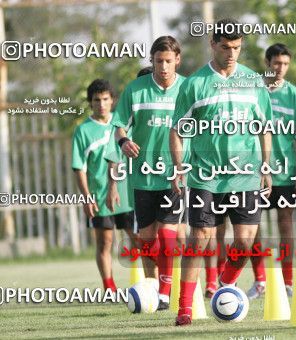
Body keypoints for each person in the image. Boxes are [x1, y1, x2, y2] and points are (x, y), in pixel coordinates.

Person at [170, 18, 272, 326]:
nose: (232, 54)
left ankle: (225, 286)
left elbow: (264, 127)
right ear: (212, 45)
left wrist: (266, 165)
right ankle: (185, 308)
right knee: (199, 238)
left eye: (237, 48)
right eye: (226, 47)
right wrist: (178, 168)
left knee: (244, 242)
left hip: (245, 176)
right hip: (206, 175)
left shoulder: (254, 82)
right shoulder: (195, 84)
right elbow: (177, 130)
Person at [112, 36, 187, 311]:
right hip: (142, 175)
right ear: (152, 61)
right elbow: (119, 124)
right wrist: (123, 141)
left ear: (177, 60)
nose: (164, 67)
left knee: (168, 234)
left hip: (174, 175)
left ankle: (165, 294)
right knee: (147, 240)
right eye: (158, 61)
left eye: (169, 61)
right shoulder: (136, 89)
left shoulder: (188, 89)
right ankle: (151, 287)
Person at [246, 43, 296, 299]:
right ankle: (260, 280)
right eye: (276, 64)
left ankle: (287, 281)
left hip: (285, 172)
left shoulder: (293, 94)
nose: (281, 68)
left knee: (286, 227)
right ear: (267, 63)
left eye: (285, 64)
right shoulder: (251, 89)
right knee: (253, 228)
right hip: (253, 172)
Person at [72, 79, 136, 292]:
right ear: (90, 103)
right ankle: (109, 287)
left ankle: (149, 283)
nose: (101, 104)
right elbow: (79, 167)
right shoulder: (83, 131)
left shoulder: (123, 125)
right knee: (105, 242)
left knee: (138, 239)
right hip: (99, 197)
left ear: (112, 100)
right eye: (97, 100)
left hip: (127, 194)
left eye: (105, 99)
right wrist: (86, 197)